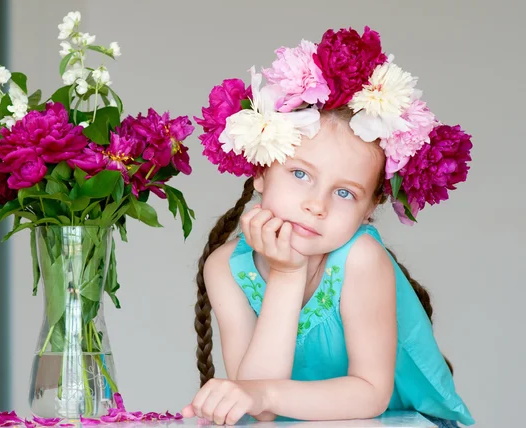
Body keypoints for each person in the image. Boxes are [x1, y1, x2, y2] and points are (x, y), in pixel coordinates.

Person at [181, 26, 475, 427]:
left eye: (344, 194)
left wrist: (289, 269)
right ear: (261, 171)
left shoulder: (361, 259)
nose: (315, 205)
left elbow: (370, 395)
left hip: (386, 417)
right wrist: (287, 276)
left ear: (369, 209)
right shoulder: (225, 268)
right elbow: (260, 410)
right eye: (300, 174)